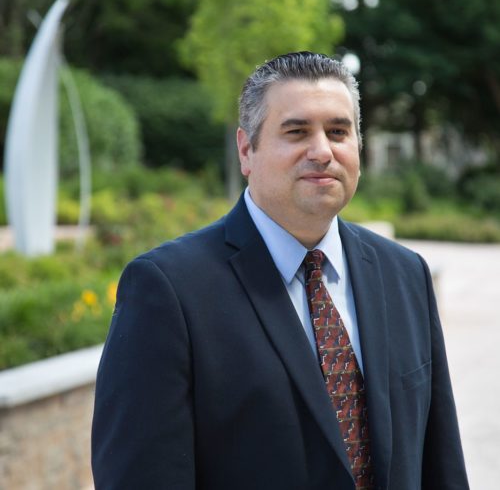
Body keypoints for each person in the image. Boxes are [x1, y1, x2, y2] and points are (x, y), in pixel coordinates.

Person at [91, 52, 469, 490]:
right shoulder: (168, 290)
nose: (322, 151)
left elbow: (440, 465)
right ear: (246, 150)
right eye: (297, 131)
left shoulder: (406, 275)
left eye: (338, 131)